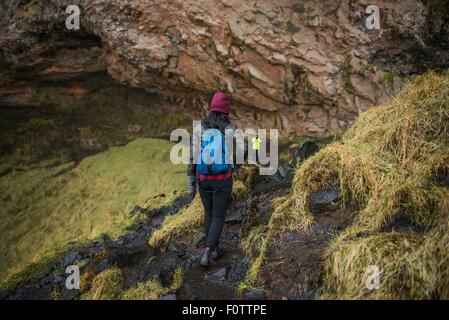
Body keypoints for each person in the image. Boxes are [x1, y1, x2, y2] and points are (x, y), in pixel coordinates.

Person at [187, 92, 245, 268]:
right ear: (225, 111)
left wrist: (191, 179)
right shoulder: (231, 128)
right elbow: (243, 147)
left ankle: (214, 249)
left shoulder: (200, 128)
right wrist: (236, 165)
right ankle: (207, 251)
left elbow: (193, 155)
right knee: (219, 216)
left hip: (203, 178)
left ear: (211, 108)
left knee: (209, 213)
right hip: (223, 179)